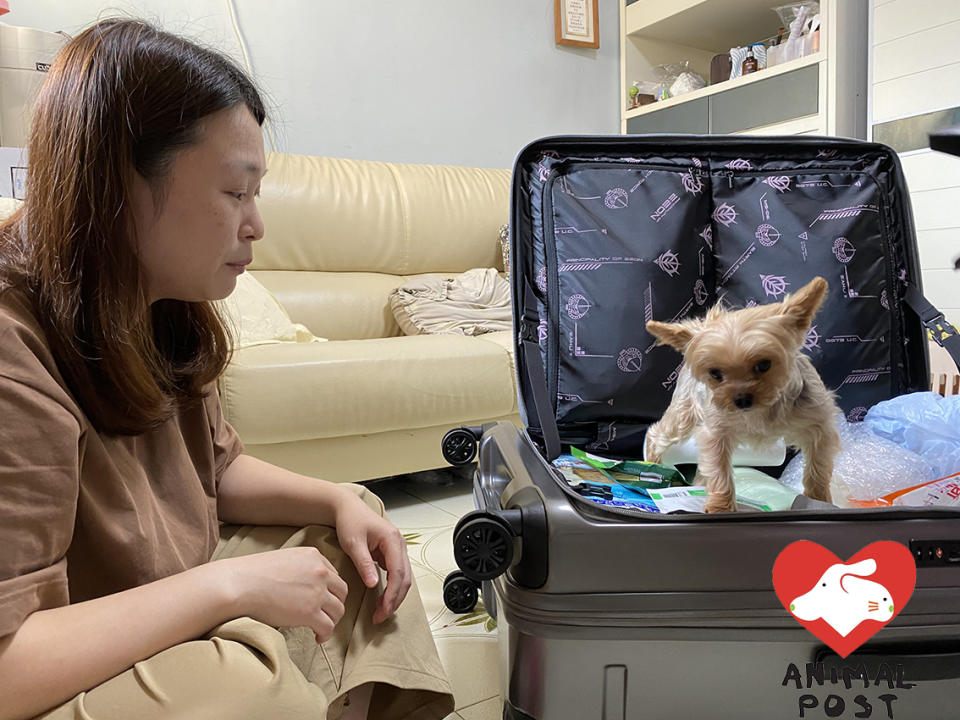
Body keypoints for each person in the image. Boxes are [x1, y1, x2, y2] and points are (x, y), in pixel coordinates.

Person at [0, 19, 454, 720]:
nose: (257, 225)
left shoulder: (163, 302)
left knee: (355, 525)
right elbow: (9, 663)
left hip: (143, 589)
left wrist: (338, 499)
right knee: (246, 691)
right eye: (236, 193)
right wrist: (231, 588)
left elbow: (214, 470)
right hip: (45, 653)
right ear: (116, 182)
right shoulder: (13, 343)